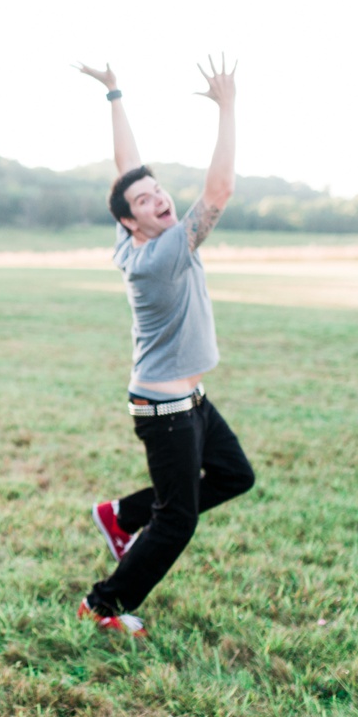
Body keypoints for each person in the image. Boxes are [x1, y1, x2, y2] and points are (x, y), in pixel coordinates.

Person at [74, 57, 255, 636]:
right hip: (167, 413)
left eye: (160, 192)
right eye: (146, 202)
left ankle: (121, 514)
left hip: (191, 401)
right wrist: (227, 107)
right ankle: (103, 605)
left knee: (233, 475)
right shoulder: (161, 254)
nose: (158, 198)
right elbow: (220, 189)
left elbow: (129, 172)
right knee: (176, 521)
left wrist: (114, 94)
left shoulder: (135, 234)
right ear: (132, 224)